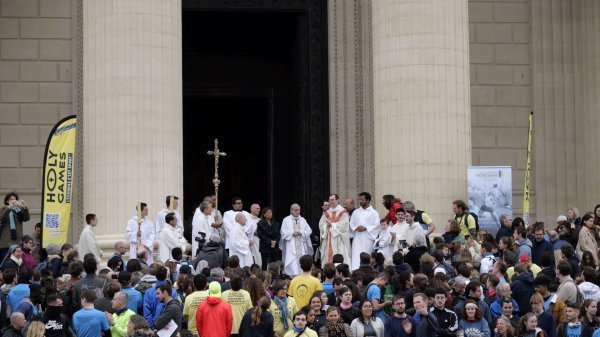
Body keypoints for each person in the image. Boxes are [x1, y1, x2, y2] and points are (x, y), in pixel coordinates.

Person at [349, 193, 380, 271]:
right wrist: (356, 228)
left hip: (368, 238)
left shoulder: (374, 212)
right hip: (357, 238)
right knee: (356, 254)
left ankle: (367, 270)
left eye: (362, 200)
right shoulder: (356, 212)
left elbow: (377, 225)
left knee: (367, 253)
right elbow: (351, 223)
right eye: (359, 199)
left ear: (368, 200)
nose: (360, 201)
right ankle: (355, 270)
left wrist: (366, 228)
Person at [280, 205, 313, 276]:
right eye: (295, 210)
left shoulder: (303, 220)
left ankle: (302, 274)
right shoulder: (286, 220)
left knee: (302, 260)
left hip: (301, 243)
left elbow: (309, 230)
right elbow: (283, 232)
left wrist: (301, 232)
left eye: (298, 210)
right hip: (291, 244)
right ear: (291, 210)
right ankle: (292, 275)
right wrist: (292, 233)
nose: (297, 211)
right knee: (292, 260)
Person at [319, 194, 351, 268]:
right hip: (329, 239)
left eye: (332, 200)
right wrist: (326, 226)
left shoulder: (343, 211)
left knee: (340, 254)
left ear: (337, 200)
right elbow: (321, 225)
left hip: (339, 239)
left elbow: (344, 226)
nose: (330, 201)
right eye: (329, 200)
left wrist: (332, 225)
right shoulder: (327, 212)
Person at [143, 265, 177, 330]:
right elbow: (174, 311)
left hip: (154, 328)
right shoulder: (173, 292)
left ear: (155, 276)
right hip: (168, 328)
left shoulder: (148, 292)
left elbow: (146, 313)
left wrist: (153, 328)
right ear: (166, 276)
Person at [0, 193, 29, 258]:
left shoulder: (18, 210)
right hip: (6, 241)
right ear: (7, 201)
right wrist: (9, 208)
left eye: (15, 199)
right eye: (11, 199)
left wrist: (24, 208)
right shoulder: (3, 209)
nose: (13, 201)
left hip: (17, 240)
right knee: (6, 261)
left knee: (17, 260)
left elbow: (26, 218)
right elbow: (1, 218)